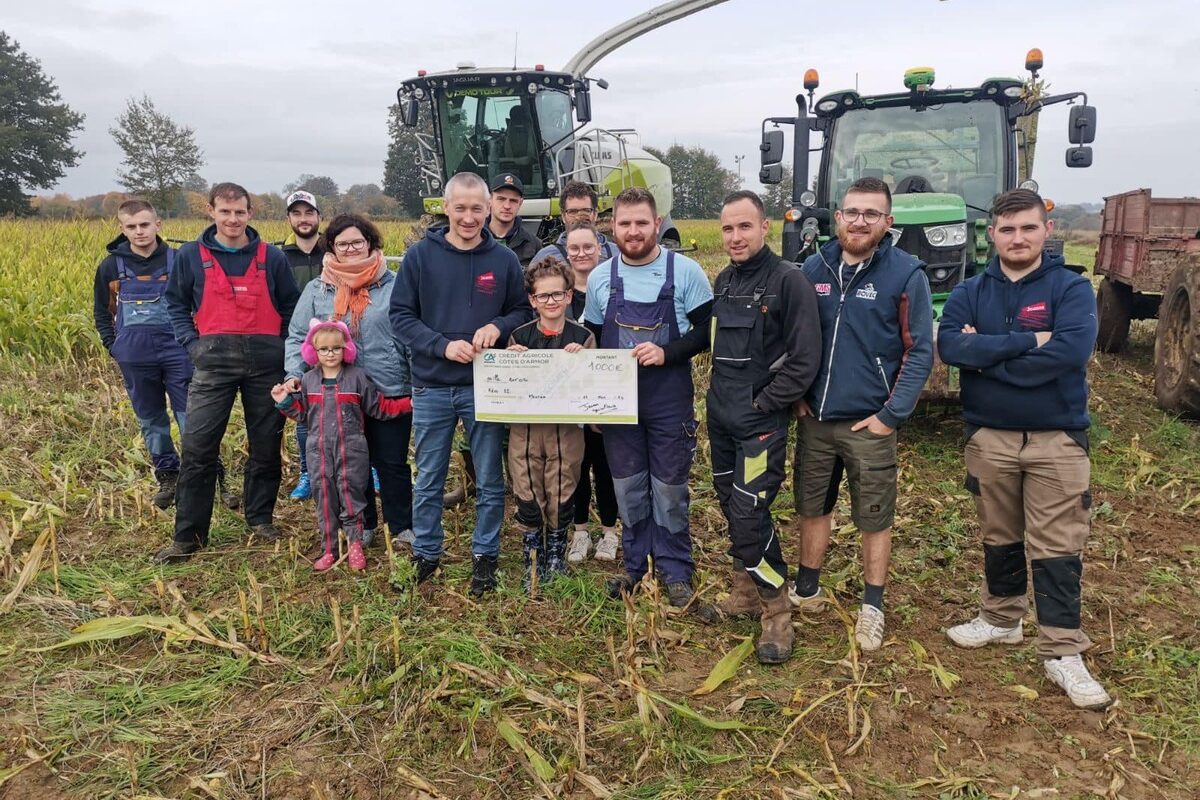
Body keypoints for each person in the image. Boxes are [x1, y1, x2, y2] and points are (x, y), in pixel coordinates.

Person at [938, 189, 1110, 710]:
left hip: (1056, 438)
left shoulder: (1071, 289)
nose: (1017, 238)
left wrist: (987, 357)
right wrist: (1028, 343)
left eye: (1027, 228)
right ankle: (1001, 618)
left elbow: (1071, 352)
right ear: (991, 234)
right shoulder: (970, 291)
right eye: (1007, 229)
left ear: (1046, 232)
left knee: (1057, 544)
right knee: (1000, 533)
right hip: (989, 437)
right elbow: (951, 346)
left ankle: (1062, 649)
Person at [794, 176, 933, 651]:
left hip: (867, 423)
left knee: (874, 515)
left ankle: (872, 605)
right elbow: (794, 337)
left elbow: (918, 351)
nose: (859, 221)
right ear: (837, 217)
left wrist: (891, 415)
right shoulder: (812, 267)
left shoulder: (905, 274)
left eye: (871, 214)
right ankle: (807, 587)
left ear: (887, 222)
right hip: (815, 418)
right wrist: (797, 395)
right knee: (812, 506)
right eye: (852, 212)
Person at [390, 171, 532, 597]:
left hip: (483, 386)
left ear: (488, 209)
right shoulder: (420, 256)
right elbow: (400, 317)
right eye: (460, 208)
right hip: (432, 386)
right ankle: (427, 553)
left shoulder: (503, 260)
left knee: (489, 478)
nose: (468, 217)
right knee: (430, 475)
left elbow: (520, 310)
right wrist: (440, 346)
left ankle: (485, 555)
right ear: (445, 208)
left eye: (476, 208)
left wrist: (496, 325)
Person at [153, 182, 300, 564]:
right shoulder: (189, 256)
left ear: (250, 213)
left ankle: (260, 518)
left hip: (266, 364)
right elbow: (174, 305)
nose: (232, 219)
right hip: (213, 363)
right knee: (199, 449)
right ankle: (188, 536)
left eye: (240, 212)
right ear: (211, 211)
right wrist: (191, 343)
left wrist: (282, 348)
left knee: (266, 446)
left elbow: (290, 307)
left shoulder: (272, 257)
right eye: (225, 212)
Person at [584, 187, 713, 616]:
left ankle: (676, 570)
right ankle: (635, 565)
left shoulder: (686, 272)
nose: (633, 231)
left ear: (657, 224)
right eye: (625, 223)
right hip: (618, 405)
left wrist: (666, 352)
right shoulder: (602, 278)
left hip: (668, 400)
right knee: (629, 489)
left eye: (642, 223)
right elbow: (593, 341)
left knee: (670, 489)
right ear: (613, 227)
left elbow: (704, 333)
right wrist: (592, 402)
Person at [708, 191, 822, 664]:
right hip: (720, 421)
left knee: (751, 516)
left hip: (759, 428)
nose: (736, 237)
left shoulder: (788, 281)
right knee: (731, 509)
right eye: (728, 229)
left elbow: (805, 358)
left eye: (745, 227)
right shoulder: (725, 280)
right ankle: (745, 593)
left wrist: (765, 404)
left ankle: (776, 612)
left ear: (764, 228)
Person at [284, 213, 415, 549]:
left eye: (358, 241)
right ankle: (364, 523)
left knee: (392, 461)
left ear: (371, 243)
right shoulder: (318, 289)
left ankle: (402, 527)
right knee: (353, 463)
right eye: (343, 244)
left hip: (390, 386)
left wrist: (419, 381)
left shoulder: (395, 284)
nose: (351, 248)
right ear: (333, 249)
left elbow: (410, 333)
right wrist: (294, 375)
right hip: (339, 391)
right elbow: (299, 335)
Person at [92, 199, 232, 510]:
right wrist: (112, 345)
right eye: (131, 226)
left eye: (144, 224)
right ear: (122, 229)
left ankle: (213, 474)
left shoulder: (178, 259)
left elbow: (202, 302)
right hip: (134, 354)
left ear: (158, 225)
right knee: (151, 418)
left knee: (194, 417)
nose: (139, 231)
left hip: (178, 351)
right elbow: (103, 312)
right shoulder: (111, 267)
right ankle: (168, 474)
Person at [273, 319, 412, 572]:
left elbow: (380, 408)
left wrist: (409, 403)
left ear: (345, 349)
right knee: (324, 497)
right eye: (324, 349)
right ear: (313, 352)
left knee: (351, 495)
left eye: (336, 348)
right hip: (318, 451)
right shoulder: (308, 381)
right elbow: (302, 414)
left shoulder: (358, 378)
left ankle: (355, 545)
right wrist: (283, 402)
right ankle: (329, 548)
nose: (330, 354)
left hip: (352, 450)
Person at [506, 256, 595, 588]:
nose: (551, 301)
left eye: (558, 294)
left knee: (562, 486)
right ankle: (533, 549)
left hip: (566, 431)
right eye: (543, 296)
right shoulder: (518, 337)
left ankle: (556, 549)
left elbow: (591, 387)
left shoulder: (582, 337)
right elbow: (505, 386)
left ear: (569, 295)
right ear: (533, 300)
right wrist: (509, 361)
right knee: (527, 488)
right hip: (526, 432)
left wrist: (582, 363)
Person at [562, 223, 620, 563]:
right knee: (577, 465)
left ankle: (610, 532)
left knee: (605, 463)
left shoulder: (611, 289)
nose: (581, 253)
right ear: (566, 252)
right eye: (574, 248)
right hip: (568, 394)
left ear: (599, 247)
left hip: (602, 390)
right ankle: (580, 531)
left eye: (588, 246)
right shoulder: (558, 291)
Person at [280, 190, 326, 502]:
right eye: (297, 214)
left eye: (308, 213)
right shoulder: (280, 258)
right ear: (290, 219)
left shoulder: (334, 253)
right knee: (303, 412)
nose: (303, 219)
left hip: (337, 345)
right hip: (299, 346)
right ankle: (309, 472)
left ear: (319, 217)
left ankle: (368, 467)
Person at [533, 181, 617, 266]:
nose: (579, 217)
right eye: (572, 211)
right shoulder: (544, 259)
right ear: (563, 216)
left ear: (595, 214)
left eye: (586, 210)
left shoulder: (617, 255)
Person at [487, 173, 541, 267]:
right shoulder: (474, 239)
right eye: (501, 199)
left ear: (520, 203)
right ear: (489, 200)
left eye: (513, 201)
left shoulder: (534, 245)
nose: (507, 206)